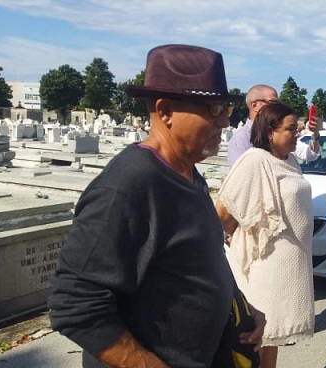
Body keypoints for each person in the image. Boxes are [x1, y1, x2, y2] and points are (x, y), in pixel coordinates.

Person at [48, 44, 264, 367]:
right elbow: (74, 303)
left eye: (227, 110)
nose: (224, 123)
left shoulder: (189, 174)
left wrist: (241, 305)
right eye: (214, 109)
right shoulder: (129, 185)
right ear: (164, 111)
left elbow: (204, 257)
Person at [216, 102, 315, 368]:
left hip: (289, 267)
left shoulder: (291, 160)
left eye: (297, 128)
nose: (297, 133)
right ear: (270, 131)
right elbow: (224, 211)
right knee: (256, 340)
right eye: (291, 129)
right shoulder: (254, 160)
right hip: (264, 268)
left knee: (272, 339)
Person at [227, 85, 319, 167]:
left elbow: (310, 155)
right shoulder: (241, 139)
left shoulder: (280, 132)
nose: (277, 108)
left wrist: (315, 134)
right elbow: (243, 178)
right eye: (273, 103)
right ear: (254, 105)